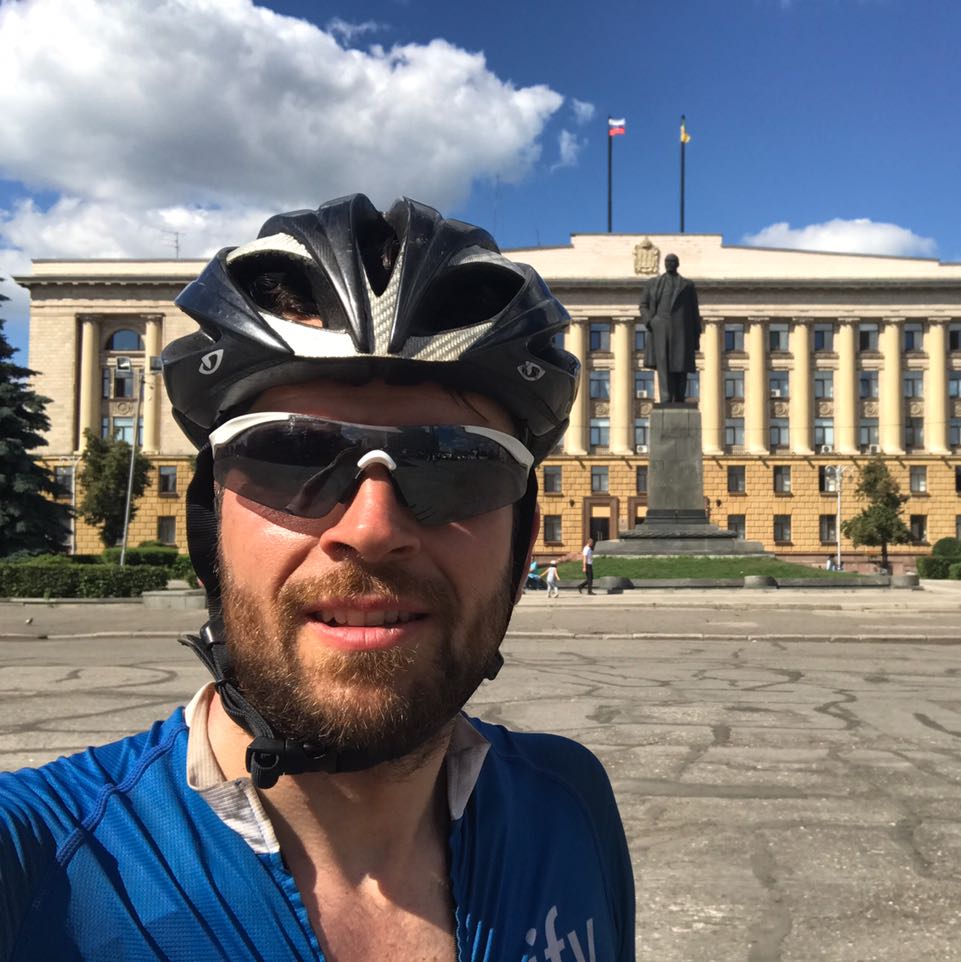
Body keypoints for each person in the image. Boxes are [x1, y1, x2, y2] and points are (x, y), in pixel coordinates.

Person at [0, 195, 635, 961]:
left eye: (457, 465)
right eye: (292, 456)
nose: (371, 529)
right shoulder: (40, 864)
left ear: (523, 539)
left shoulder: (570, 806)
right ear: (210, 527)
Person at [638, 253, 702, 403]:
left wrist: (696, 336)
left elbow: (694, 312)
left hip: (682, 330)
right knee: (663, 365)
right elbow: (643, 305)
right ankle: (665, 399)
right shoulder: (653, 283)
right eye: (667, 261)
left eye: (673, 262)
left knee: (681, 366)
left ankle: (680, 398)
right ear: (664, 264)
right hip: (660, 328)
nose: (670, 264)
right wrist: (650, 321)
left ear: (677, 264)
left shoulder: (687, 285)